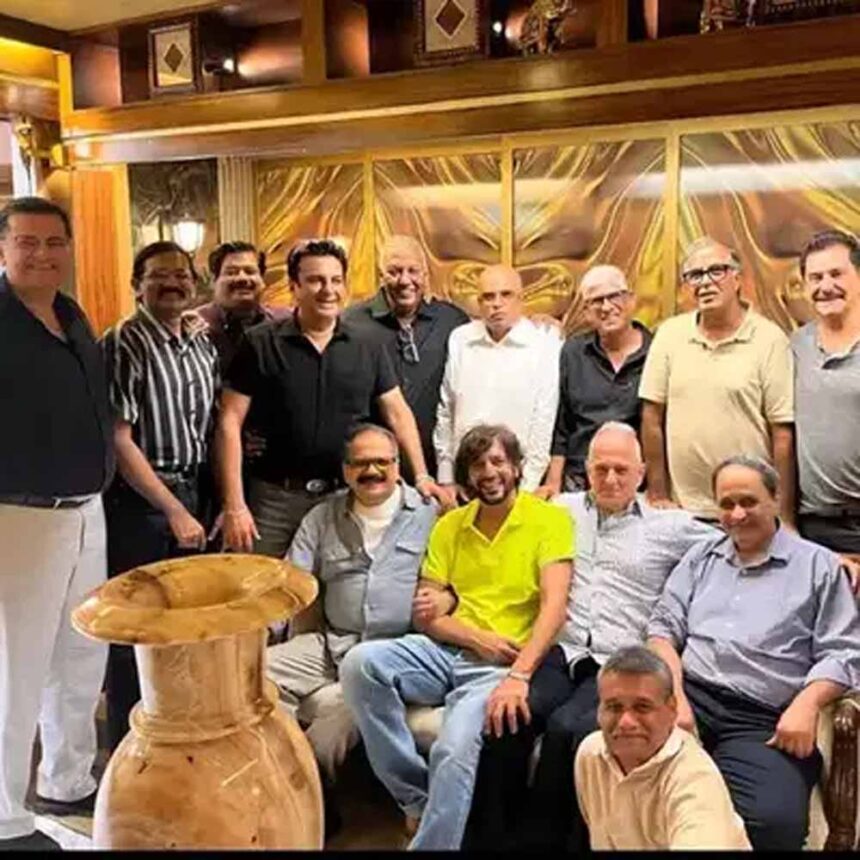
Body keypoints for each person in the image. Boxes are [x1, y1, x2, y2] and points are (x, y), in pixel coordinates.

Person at [464, 421, 716, 850]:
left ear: (641, 473)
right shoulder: (558, 511)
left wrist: (824, 558)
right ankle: (487, 843)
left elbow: (735, 538)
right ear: (587, 470)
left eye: (621, 470)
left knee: (570, 729)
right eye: (601, 469)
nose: (611, 479)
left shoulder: (670, 527)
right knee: (507, 717)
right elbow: (497, 515)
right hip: (562, 651)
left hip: (618, 662)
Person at [340, 424, 574, 849]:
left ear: (516, 467)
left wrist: (519, 676)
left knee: (452, 748)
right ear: (466, 475)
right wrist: (474, 637)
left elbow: (555, 609)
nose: (489, 472)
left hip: (498, 667)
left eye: (498, 461)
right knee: (360, 664)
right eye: (478, 465)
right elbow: (428, 615)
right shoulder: (450, 525)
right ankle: (415, 796)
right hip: (445, 651)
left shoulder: (549, 521)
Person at [648, 455, 860, 850]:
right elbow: (662, 629)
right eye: (726, 504)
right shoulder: (701, 558)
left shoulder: (818, 567)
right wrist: (674, 696)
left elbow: (844, 651)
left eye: (748, 501)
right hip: (688, 697)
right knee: (615, 770)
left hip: (762, 718)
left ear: (776, 499)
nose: (737, 514)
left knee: (772, 823)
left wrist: (807, 703)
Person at [0, 197, 114, 849]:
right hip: (17, 516)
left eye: (54, 242)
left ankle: (67, 780)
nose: (42, 253)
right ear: (3, 249)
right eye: (27, 241)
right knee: (14, 667)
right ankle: (5, 817)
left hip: (84, 510)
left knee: (80, 653)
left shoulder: (72, 316)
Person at [218, 238, 449, 559]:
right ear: (294, 287)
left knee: (340, 586)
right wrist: (234, 504)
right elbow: (229, 421)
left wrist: (422, 476)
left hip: (344, 497)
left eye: (336, 280)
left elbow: (397, 412)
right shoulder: (259, 343)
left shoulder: (368, 344)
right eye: (315, 280)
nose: (328, 290)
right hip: (274, 501)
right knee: (262, 584)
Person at [267, 423, 442, 777]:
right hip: (333, 644)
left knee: (329, 737)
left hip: (393, 655)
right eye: (360, 463)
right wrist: (262, 629)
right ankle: (281, 769)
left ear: (397, 465)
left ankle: (304, 786)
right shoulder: (322, 517)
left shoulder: (431, 515)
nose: (372, 471)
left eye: (382, 462)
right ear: (346, 470)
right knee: (249, 673)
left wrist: (445, 601)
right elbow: (288, 585)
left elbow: (457, 583)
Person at [101, 240, 219, 751]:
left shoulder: (199, 343)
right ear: (137, 285)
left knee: (184, 626)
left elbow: (209, 424)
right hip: (142, 505)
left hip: (193, 494)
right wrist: (172, 509)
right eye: (158, 275)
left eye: (181, 274)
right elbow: (118, 438)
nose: (173, 283)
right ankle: (128, 752)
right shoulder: (124, 341)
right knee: (137, 631)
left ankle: (177, 740)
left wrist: (209, 504)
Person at [639, 237, 795, 523]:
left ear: (737, 279)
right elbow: (651, 416)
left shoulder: (770, 339)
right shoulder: (669, 335)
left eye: (716, 271)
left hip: (748, 512)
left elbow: (782, 433)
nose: (705, 282)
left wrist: (783, 516)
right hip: (681, 513)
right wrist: (658, 493)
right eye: (695, 275)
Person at [575, 645, 750, 850]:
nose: (626, 722)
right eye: (614, 707)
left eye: (642, 707)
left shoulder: (695, 780)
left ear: (672, 709)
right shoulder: (590, 754)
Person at [343, 235, 469, 478]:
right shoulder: (352, 323)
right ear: (381, 276)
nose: (405, 280)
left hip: (441, 468)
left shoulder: (452, 321)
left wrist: (539, 326)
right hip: (373, 467)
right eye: (394, 271)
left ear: (425, 275)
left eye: (413, 271)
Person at [434, 264, 560, 493]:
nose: (497, 303)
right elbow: (446, 409)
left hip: (519, 480)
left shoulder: (544, 341)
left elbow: (544, 418)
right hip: (465, 480)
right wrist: (446, 478)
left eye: (506, 295)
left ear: (521, 299)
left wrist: (527, 488)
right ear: (478, 302)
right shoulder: (460, 339)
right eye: (488, 297)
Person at [540, 265, 652, 496]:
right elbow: (562, 424)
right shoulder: (573, 352)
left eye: (614, 296)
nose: (606, 307)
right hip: (579, 476)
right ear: (585, 311)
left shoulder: (657, 351)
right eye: (596, 301)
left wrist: (659, 489)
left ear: (631, 300)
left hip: (635, 479)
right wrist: (553, 482)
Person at [792, 230, 860, 571]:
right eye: (815, 277)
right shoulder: (794, 346)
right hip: (813, 526)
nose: (826, 286)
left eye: (836, 274)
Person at [195, 240, 289, 372]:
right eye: (231, 272)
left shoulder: (284, 324)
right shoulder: (196, 325)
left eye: (250, 271)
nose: (242, 278)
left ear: (262, 280)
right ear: (214, 281)